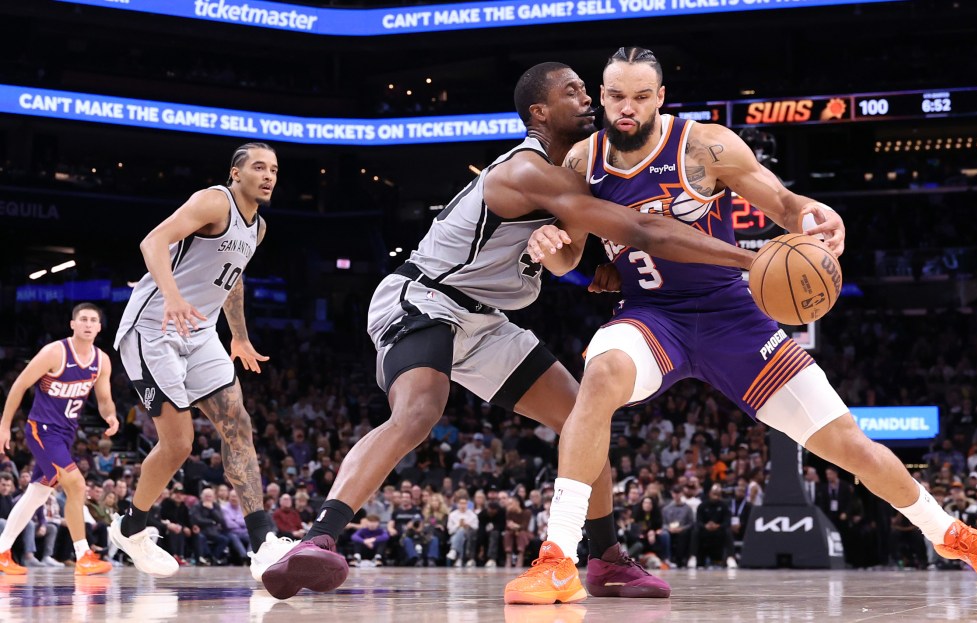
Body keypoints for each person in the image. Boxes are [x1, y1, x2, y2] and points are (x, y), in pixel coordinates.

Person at [506, 46, 977, 605]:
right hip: (654, 317)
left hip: (734, 317)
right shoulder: (582, 161)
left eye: (638, 97)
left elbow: (780, 201)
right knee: (601, 376)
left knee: (847, 443)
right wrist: (551, 246)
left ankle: (945, 532)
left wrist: (812, 217)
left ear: (659, 99)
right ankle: (558, 556)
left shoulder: (706, 146)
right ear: (602, 97)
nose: (625, 108)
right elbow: (569, 256)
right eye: (615, 96)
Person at [261, 61, 754, 600]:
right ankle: (318, 539)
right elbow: (639, 227)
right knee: (420, 410)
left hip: (488, 318)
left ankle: (607, 559)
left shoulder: (574, 174)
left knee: (582, 418)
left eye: (588, 91)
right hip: (427, 295)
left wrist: (601, 270)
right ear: (539, 113)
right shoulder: (528, 170)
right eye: (573, 92)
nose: (588, 99)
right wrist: (748, 259)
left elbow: (579, 248)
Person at [110, 143, 292, 580]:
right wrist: (172, 297)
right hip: (154, 326)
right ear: (236, 173)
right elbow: (152, 240)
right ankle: (131, 527)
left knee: (238, 424)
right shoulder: (214, 199)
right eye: (259, 168)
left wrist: (241, 337)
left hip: (202, 330)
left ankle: (263, 542)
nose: (268, 176)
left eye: (274, 169)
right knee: (179, 444)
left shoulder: (258, 227)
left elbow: (231, 278)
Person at [0, 303, 119, 576]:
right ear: (73, 324)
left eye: (93, 320)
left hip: (65, 434)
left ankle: (2, 550)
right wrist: (4, 426)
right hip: (42, 431)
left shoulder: (101, 360)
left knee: (37, 494)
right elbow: (19, 385)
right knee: (76, 485)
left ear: (99, 327)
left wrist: (110, 416)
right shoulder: (55, 352)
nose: (88, 324)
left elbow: (104, 399)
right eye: (83, 320)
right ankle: (83, 555)